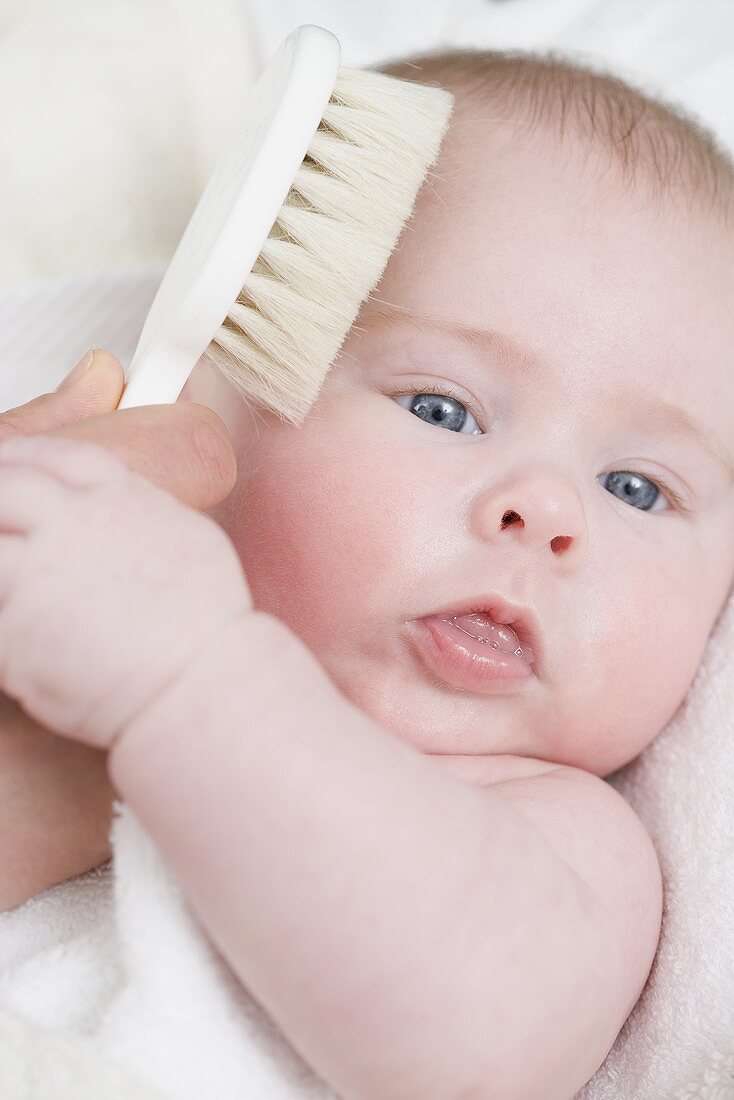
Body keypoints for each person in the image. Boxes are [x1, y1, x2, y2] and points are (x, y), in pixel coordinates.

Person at [2, 48, 733, 1098]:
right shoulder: (53, 677)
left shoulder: (561, 835)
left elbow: (476, 1042)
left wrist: (187, 677)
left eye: (635, 487)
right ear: (224, 394)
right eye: (444, 409)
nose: (548, 513)